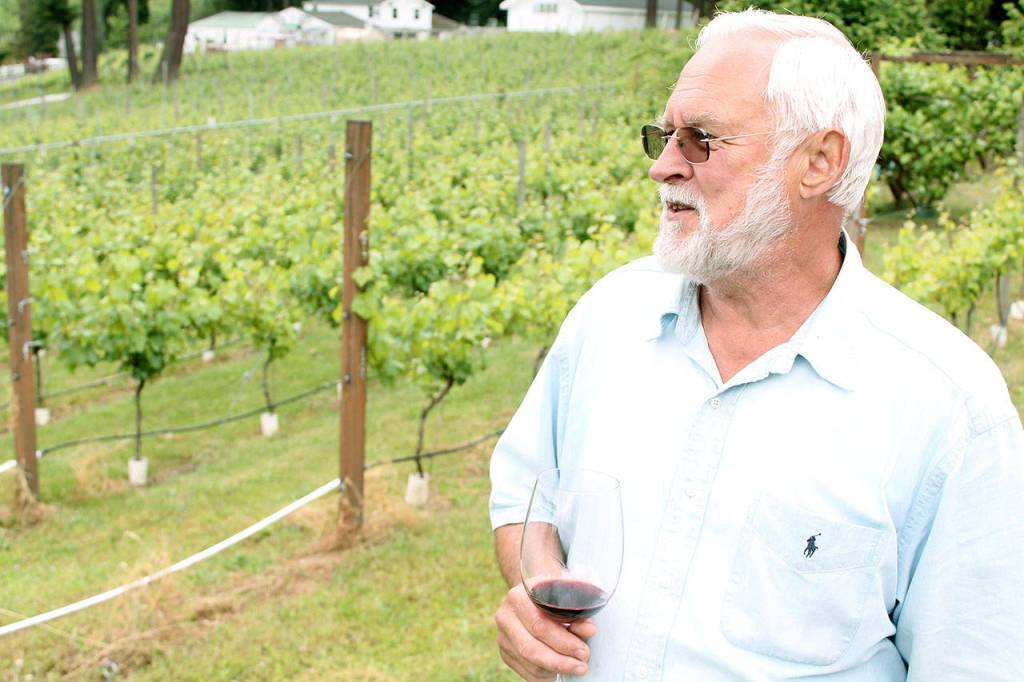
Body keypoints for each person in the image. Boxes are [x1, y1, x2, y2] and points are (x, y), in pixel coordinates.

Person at [488, 8, 1024, 681]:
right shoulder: (609, 319)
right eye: (663, 136)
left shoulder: (948, 411)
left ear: (818, 163)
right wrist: (538, 596)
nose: (663, 167)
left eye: (700, 141)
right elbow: (526, 494)